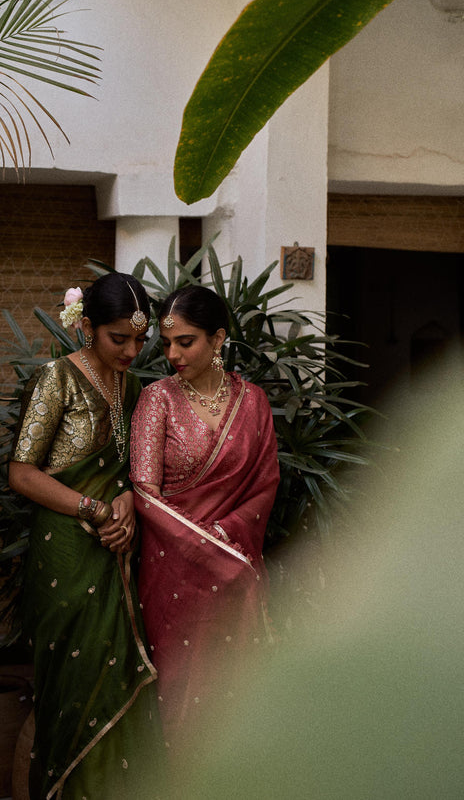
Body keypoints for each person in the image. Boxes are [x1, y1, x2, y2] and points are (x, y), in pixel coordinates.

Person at [9, 272, 163, 800]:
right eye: (118, 338)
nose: (132, 350)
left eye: (141, 340)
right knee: (71, 687)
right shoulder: (59, 379)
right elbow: (22, 472)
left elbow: (130, 472)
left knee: (118, 673)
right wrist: (97, 508)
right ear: (88, 327)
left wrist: (126, 500)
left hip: (114, 553)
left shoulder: (134, 386)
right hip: (67, 557)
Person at [129, 284, 280, 754]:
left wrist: (223, 538)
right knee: (182, 700)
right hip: (174, 572)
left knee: (238, 696)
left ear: (218, 338)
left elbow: (264, 484)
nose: (171, 353)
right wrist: (203, 546)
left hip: (237, 563)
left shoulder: (252, 401)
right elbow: (144, 492)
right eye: (166, 341)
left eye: (185, 341)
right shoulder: (157, 400)